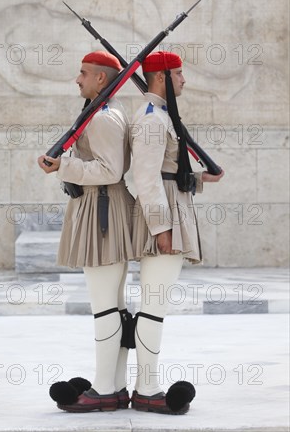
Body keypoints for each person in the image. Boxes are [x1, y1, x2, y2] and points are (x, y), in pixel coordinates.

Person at [37, 50, 135, 412]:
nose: (77, 79)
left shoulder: (104, 118)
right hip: (101, 209)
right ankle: (116, 385)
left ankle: (105, 389)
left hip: (102, 211)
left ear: (101, 79)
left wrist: (63, 166)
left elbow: (110, 171)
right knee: (112, 305)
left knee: (105, 307)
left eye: (84, 73)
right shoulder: (103, 113)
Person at [130, 51, 225, 414]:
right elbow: (146, 177)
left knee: (156, 305)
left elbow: (170, 172)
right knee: (153, 307)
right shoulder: (153, 119)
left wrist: (201, 180)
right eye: (179, 74)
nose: (184, 80)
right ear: (160, 78)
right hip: (164, 215)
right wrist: (162, 227)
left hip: (172, 205)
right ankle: (147, 389)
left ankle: (145, 384)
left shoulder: (163, 116)